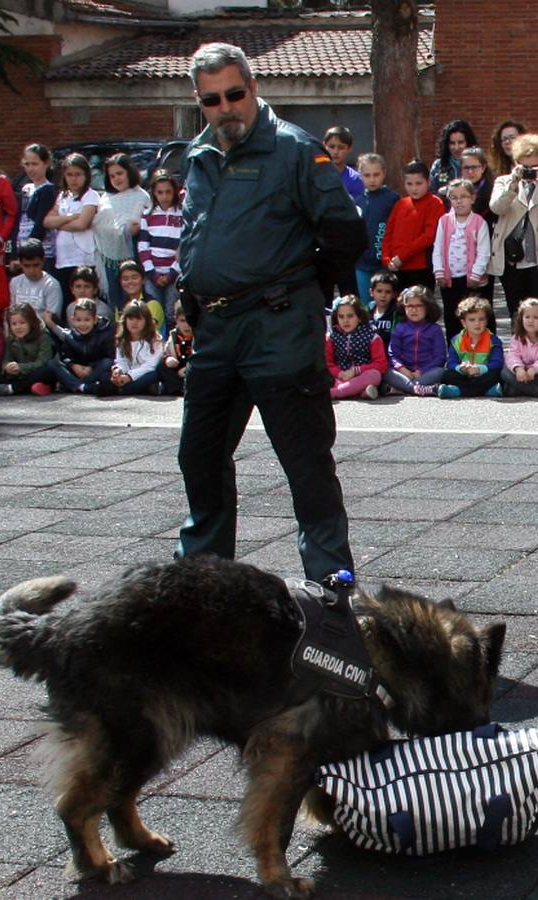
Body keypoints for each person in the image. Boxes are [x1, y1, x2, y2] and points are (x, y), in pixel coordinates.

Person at [175, 42, 367, 584]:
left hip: (278, 326)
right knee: (200, 455)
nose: (226, 107)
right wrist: (186, 296)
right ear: (199, 101)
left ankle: (331, 585)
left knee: (304, 463)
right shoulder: (199, 154)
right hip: (216, 330)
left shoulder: (294, 150)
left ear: (254, 88)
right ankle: (202, 580)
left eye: (235, 94)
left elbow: (344, 232)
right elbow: (195, 235)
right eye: (212, 100)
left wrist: (306, 287)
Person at [489, 133, 538, 325]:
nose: (530, 172)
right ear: (516, 163)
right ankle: (519, 352)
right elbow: (496, 208)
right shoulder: (503, 182)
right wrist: (513, 186)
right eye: (525, 167)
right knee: (517, 313)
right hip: (512, 261)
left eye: (534, 167)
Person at [431, 178, 492, 335]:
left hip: (471, 281)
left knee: (472, 316)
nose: (459, 202)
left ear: (472, 198)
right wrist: (439, 271)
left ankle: (477, 351)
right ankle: (454, 353)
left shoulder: (479, 223)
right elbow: (437, 248)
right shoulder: (444, 221)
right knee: (452, 318)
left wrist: (476, 274)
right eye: (454, 197)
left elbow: (484, 251)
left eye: (463, 197)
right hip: (450, 280)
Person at [95, 153, 151, 310]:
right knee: (116, 302)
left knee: (134, 301)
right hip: (108, 256)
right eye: (112, 175)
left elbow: (140, 226)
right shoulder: (105, 198)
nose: (116, 179)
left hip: (133, 253)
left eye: (120, 173)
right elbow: (99, 224)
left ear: (129, 172)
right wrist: (121, 230)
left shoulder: (141, 196)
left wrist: (126, 231)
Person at [381, 160, 443, 294]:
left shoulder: (435, 203)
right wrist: (386, 259)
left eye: (419, 183)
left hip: (421, 267)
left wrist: (402, 256)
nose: (414, 188)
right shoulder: (400, 204)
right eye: (409, 184)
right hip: (396, 267)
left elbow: (429, 236)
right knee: (399, 310)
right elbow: (388, 233)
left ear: (428, 182)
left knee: (421, 308)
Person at [46, 153, 99, 285]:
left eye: (78, 174)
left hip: (83, 259)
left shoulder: (90, 195)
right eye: (69, 174)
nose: (73, 179)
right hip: (63, 259)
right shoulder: (63, 196)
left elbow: (82, 224)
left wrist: (58, 223)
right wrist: (70, 217)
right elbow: (47, 221)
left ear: (86, 175)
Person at [383, 285, 446, 396]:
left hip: (425, 372)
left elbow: (440, 357)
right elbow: (393, 355)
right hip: (404, 372)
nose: (413, 310)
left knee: (441, 372)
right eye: (409, 306)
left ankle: (404, 388)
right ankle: (420, 389)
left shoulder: (435, 329)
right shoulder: (400, 328)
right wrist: (402, 368)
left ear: (427, 307)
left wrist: (421, 371)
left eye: (418, 306)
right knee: (385, 372)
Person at [46, 296, 115, 394]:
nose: (82, 324)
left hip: (94, 370)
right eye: (78, 320)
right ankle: (82, 386)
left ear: (95, 319)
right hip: (77, 371)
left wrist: (91, 367)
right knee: (52, 363)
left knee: (108, 363)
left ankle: (75, 385)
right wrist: (73, 365)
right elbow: (65, 356)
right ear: (72, 320)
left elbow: (110, 355)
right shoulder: (70, 336)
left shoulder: (104, 333)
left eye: (87, 320)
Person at [438, 294, 502, 398]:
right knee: (446, 375)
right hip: (465, 375)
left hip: (483, 374)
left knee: (497, 374)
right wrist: (461, 368)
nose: (477, 323)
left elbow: (497, 363)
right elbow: (451, 363)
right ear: (464, 322)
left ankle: (458, 391)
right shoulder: (456, 340)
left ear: (486, 321)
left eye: (481, 319)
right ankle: (486, 391)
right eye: (472, 320)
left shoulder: (493, 340)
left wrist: (479, 369)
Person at [325, 294, 387, 401]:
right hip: (340, 377)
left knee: (375, 375)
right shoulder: (331, 337)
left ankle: (337, 392)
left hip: (362, 376)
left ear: (359, 317)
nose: (345, 321)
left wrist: (356, 371)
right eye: (341, 316)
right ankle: (359, 392)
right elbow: (328, 363)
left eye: (350, 316)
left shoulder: (372, 336)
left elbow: (381, 364)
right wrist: (339, 373)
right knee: (321, 376)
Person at [353, 153, 396, 306]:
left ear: (384, 173)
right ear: (360, 175)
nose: (372, 179)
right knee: (366, 306)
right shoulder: (358, 201)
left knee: (386, 305)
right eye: (367, 175)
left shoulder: (392, 199)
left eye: (376, 174)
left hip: (383, 263)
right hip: (362, 263)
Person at [0, 304, 55, 396]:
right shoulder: (11, 339)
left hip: (35, 371)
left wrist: (21, 367)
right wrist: (7, 367)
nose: (18, 327)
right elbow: (6, 359)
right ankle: (30, 387)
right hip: (19, 375)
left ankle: (12, 388)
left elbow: (43, 362)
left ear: (31, 322)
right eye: (14, 324)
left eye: (22, 323)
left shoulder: (43, 336)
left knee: (47, 371)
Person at [11, 143, 58, 278]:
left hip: (42, 252)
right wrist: (15, 253)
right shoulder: (26, 188)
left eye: (35, 164)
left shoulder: (48, 190)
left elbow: (40, 224)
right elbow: (18, 221)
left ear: (46, 163)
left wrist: (27, 251)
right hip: (23, 250)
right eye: (27, 164)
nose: (31, 169)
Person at [500, 296, 538, 398]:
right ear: (521, 319)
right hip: (522, 373)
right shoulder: (517, 337)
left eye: (536, 317)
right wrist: (518, 368)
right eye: (527, 317)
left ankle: (516, 389)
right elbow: (512, 355)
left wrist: (535, 368)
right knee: (504, 372)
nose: (530, 321)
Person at [137, 172, 183, 304]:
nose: (164, 196)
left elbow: (184, 247)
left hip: (174, 273)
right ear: (154, 193)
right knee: (154, 309)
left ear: (174, 192)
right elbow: (143, 246)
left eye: (168, 192)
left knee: (171, 311)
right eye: (160, 192)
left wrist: (172, 274)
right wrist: (152, 273)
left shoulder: (182, 215)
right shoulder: (147, 215)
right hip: (153, 273)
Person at [105, 299, 164, 396]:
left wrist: (129, 376)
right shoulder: (122, 339)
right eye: (131, 319)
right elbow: (122, 361)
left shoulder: (155, 340)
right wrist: (118, 370)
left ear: (147, 321)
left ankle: (123, 390)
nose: (134, 322)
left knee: (152, 376)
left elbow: (150, 366)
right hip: (127, 373)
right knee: (105, 376)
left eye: (139, 319)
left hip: (145, 373)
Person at [9, 239, 64, 327]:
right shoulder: (15, 282)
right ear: (20, 262)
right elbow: (11, 312)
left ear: (43, 261)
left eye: (36, 265)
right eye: (27, 266)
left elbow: (52, 320)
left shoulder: (51, 285)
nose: (32, 270)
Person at [158, 302, 194, 397]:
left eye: (190, 321)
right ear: (176, 320)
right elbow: (165, 353)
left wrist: (188, 368)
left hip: (193, 369)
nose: (187, 325)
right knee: (161, 366)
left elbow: (203, 356)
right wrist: (168, 359)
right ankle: (179, 388)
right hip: (177, 370)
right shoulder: (174, 336)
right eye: (183, 321)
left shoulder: (199, 335)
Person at [430, 119, 478, 190]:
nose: (456, 147)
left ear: (468, 142)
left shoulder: (477, 164)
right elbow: (431, 192)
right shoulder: (438, 166)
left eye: (460, 142)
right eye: (452, 143)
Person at [324, 126, 363, 199]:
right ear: (324, 146)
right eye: (331, 147)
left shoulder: (355, 179)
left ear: (349, 149)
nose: (335, 152)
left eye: (341, 147)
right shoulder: (315, 176)